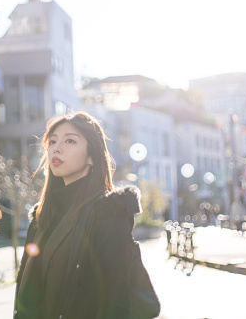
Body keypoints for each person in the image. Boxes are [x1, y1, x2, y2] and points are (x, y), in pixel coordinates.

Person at [14, 111, 151, 318]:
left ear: (92, 157)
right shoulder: (42, 216)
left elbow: (116, 301)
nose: (56, 148)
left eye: (70, 141)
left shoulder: (108, 213)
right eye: (52, 141)